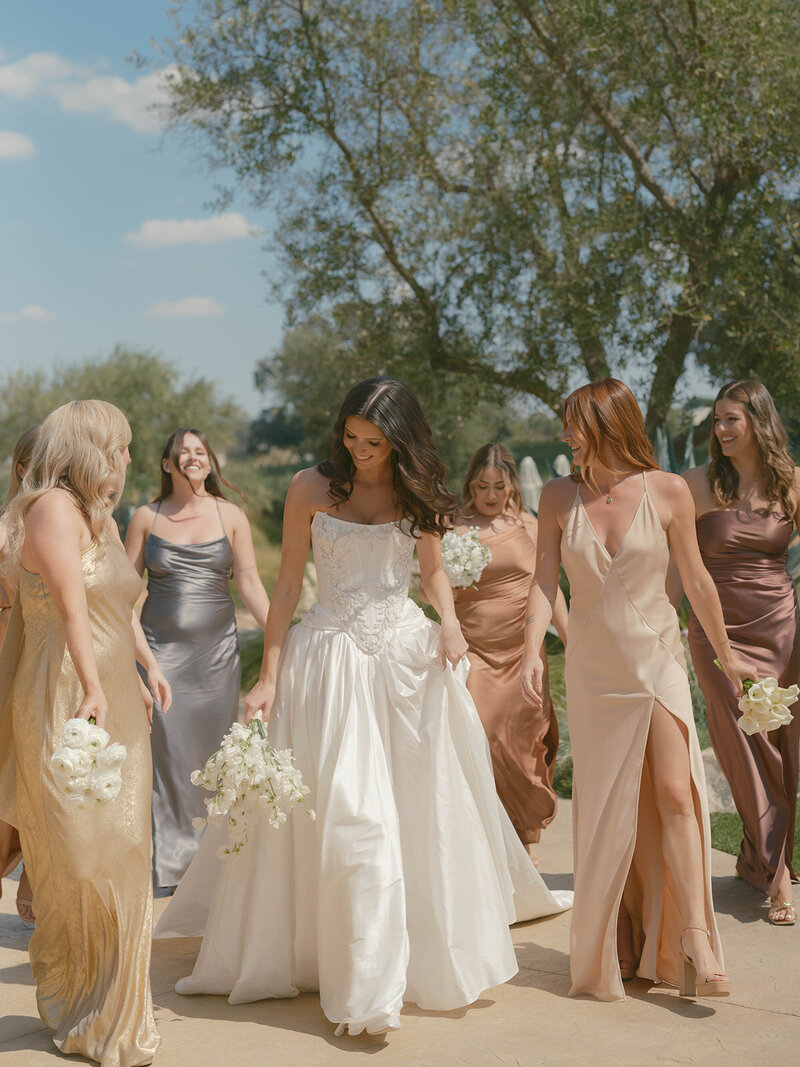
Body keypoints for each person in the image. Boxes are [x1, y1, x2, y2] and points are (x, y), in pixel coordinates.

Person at [155, 377, 571, 1036]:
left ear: (399, 439)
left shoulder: (417, 491)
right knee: (352, 816)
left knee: (413, 813)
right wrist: (269, 676)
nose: (359, 450)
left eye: (373, 442)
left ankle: (396, 962)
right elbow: (286, 587)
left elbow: (431, 572)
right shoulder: (309, 488)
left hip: (405, 662)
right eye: (351, 437)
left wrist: (450, 623)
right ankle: (360, 983)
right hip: (329, 665)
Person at [521, 378, 751, 1002]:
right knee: (610, 809)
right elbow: (544, 581)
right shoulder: (557, 495)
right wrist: (533, 650)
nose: (565, 435)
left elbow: (697, 581)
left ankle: (696, 937)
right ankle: (619, 936)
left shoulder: (668, 490)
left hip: (657, 662)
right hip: (594, 674)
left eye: (574, 424)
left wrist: (727, 657)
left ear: (605, 424)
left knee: (676, 793)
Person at [0, 399, 171, 1066]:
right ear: (91, 447)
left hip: (114, 693)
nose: (128, 457)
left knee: (124, 848)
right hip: (62, 692)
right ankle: (80, 1000)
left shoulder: (101, 516)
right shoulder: (48, 509)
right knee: (74, 855)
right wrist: (94, 688)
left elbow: (117, 606)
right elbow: (71, 606)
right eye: (121, 445)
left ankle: (119, 1014)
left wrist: (145, 666)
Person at [671, 380, 800, 926]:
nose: (721, 430)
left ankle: (757, 858)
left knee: (779, 747)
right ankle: (778, 876)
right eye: (716, 421)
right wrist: (661, 625)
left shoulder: (792, 482)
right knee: (740, 747)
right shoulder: (695, 484)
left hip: (780, 629)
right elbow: (677, 566)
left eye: (731, 420)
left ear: (758, 422)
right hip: (715, 631)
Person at [125, 428, 270, 889]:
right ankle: (170, 865)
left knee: (212, 756)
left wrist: (282, 636)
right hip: (159, 656)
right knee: (168, 757)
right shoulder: (145, 517)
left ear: (209, 462)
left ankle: (211, 867)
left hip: (216, 659)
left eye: (200, 451)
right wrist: (133, 653)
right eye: (182, 451)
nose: (192, 457)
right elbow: (123, 593)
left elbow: (249, 583)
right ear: (167, 463)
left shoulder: (231, 516)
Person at [451, 444, 568, 865]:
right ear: (470, 484)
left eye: (498, 486)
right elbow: (435, 586)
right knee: (484, 736)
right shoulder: (453, 528)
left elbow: (548, 587)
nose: (490, 494)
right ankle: (490, 835)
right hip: (475, 651)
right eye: (482, 486)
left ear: (511, 485)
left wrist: (570, 638)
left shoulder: (529, 525)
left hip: (524, 651)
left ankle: (524, 836)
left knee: (522, 741)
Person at [0, 425, 39, 922]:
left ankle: (33, 870)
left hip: (54, 659)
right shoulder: (5, 528)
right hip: (8, 660)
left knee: (41, 772)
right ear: (22, 468)